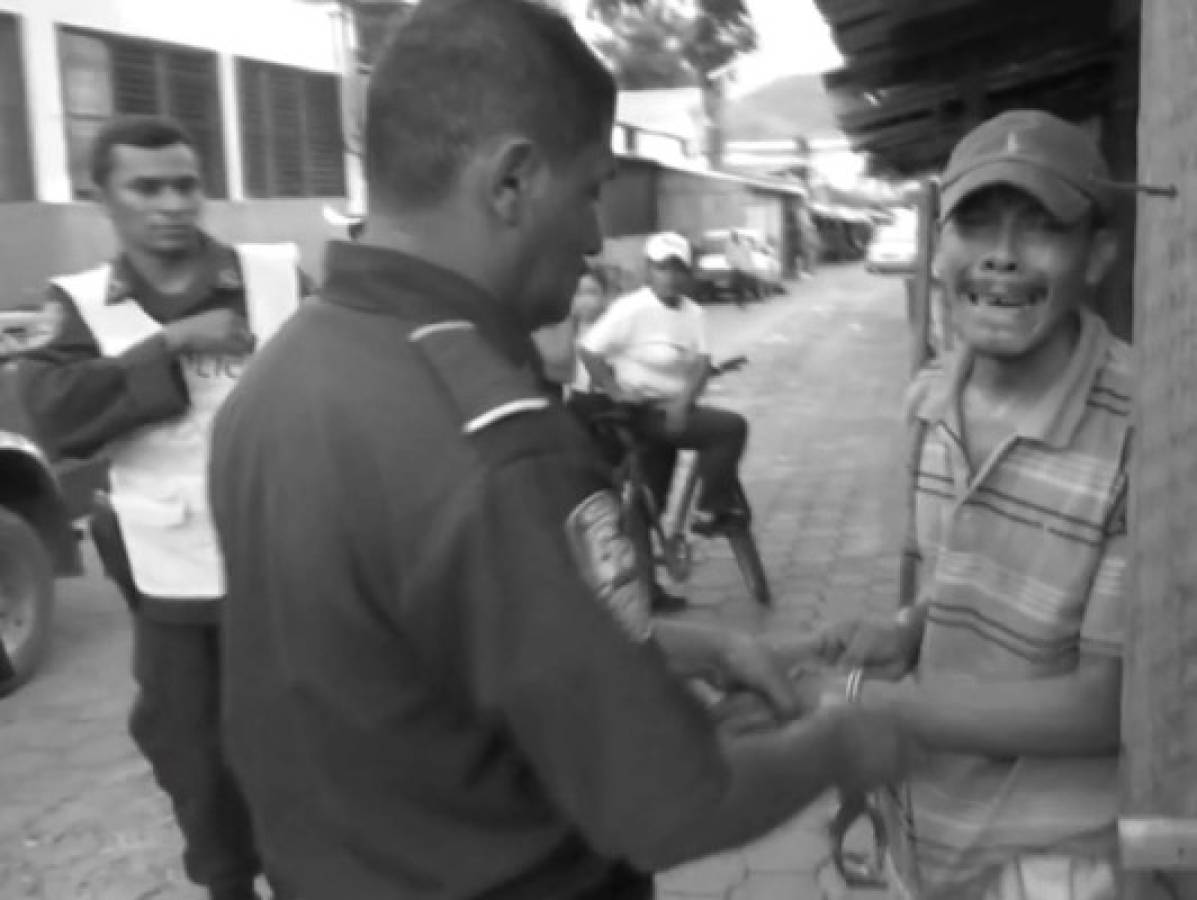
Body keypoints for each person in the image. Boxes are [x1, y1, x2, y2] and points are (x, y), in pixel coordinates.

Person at [207, 3, 918, 898]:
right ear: (510, 182)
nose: (591, 239)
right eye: (588, 191)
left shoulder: (277, 376)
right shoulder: (500, 443)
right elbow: (666, 808)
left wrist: (671, 645)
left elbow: (419, 645)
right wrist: (844, 740)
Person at [787, 109, 1134, 900]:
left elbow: (1100, 707)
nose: (1000, 259)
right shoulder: (932, 398)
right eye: (974, 226)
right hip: (922, 834)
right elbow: (960, 589)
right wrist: (904, 634)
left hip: (1054, 867)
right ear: (938, 248)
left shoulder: (1150, 434)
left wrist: (851, 704)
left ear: (1099, 254)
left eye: (1038, 227)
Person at [18, 115, 310, 900]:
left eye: (185, 184)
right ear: (102, 198)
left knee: (312, 752)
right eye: (146, 187)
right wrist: (173, 342)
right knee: (193, 755)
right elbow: (54, 411)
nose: (172, 203)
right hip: (174, 583)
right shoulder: (79, 305)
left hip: (292, 573)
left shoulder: (275, 277)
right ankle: (226, 886)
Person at [578, 232, 750, 537]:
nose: (669, 277)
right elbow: (590, 350)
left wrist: (684, 402)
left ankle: (646, 578)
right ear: (649, 269)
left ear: (686, 272)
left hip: (673, 411)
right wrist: (615, 390)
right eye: (661, 267)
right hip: (643, 412)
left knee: (651, 506)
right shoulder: (631, 308)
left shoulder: (694, 314)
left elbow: (701, 362)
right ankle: (710, 509)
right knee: (730, 428)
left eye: (676, 268)